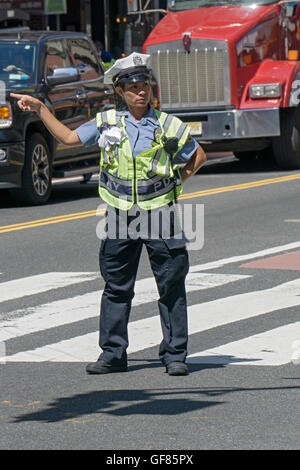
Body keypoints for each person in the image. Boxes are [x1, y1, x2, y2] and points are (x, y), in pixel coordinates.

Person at [11, 52, 206, 376]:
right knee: (116, 286)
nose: (140, 91)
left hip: (159, 212)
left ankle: (174, 355)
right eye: (132, 86)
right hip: (119, 215)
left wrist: (177, 180)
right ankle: (113, 354)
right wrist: (41, 109)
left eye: (144, 85)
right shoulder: (107, 122)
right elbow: (69, 138)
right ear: (120, 90)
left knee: (171, 285)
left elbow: (197, 155)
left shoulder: (166, 124)